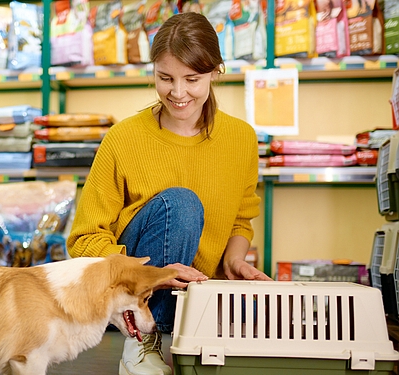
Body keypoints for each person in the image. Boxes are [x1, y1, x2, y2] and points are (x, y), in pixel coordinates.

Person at [66, 11, 272, 375]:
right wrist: (152, 270)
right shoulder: (124, 138)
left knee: (269, 314)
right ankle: (144, 343)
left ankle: (179, 338)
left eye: (192, 79)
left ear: (216, 72)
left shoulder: (241, 139)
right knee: (182, 203)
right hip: (136, 285)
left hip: (199, 286)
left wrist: (236, 261)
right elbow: (83, 240)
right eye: (165, 78)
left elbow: (240, 220)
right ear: (154, 74)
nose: (178, 93)